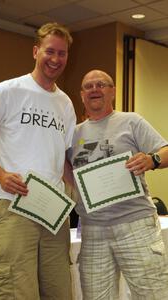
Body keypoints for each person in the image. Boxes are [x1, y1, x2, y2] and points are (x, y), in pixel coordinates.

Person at [0, 22, 76, 300]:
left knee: (59, 291)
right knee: (15, 291)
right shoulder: (7, 90)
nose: (55, 59)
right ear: (35, 51)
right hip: (13, 203)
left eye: (62, 53)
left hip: (53, 211)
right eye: (49, 51)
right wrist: (1, 175)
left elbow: (64, 158)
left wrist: (78, 195)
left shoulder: (65, 103)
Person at [67, 69, 168, 299]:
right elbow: (65, 167)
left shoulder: (131, 121)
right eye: (88, 86)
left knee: (153, 295)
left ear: (112, 91)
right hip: (92, 231)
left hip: (135, 226)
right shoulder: (72, 135)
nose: (94, 89)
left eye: (101, 84)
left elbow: (166, 150)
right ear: (81, 95)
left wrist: (151, 160)